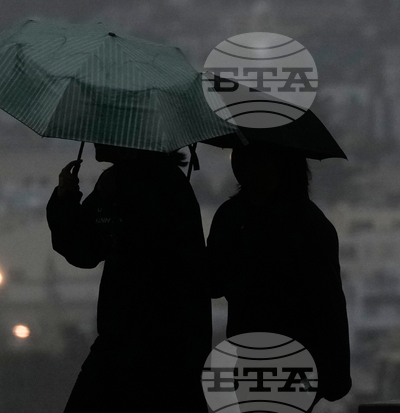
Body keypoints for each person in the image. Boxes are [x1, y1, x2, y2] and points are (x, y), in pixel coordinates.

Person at [46, 143, 212, 413]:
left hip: (129, 342)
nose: (96, 139)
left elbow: (85, 250)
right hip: (176, 346)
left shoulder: (122, 184)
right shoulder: (169, 182)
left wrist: (66, 200)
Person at [207, 143, 351, 405]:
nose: (239, 159)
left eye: (252, 152)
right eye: (238, 149)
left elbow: (327, 304)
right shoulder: (234, 217)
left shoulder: (304, 224)